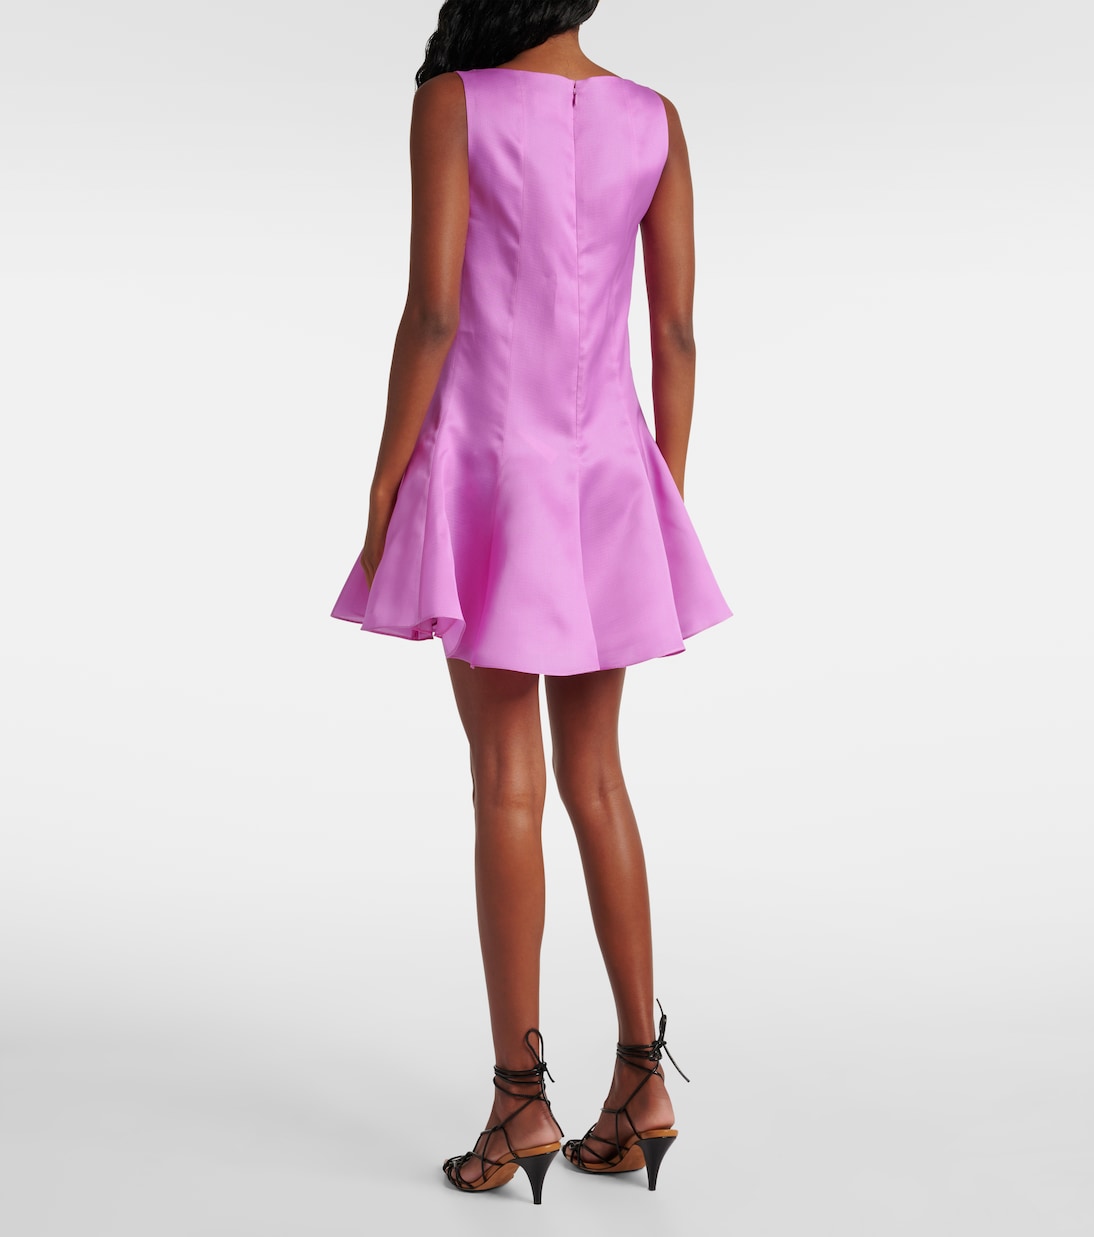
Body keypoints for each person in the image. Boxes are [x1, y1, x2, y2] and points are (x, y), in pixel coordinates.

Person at [330, 1, 733, 1204]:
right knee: (595, 779)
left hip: (488, 473)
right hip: (607, 474)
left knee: (505, 781)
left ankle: (520, 1099)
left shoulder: (452, 104)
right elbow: (675, 333)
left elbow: (434, 313)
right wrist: (659, 489)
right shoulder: (654, 118)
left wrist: (384, 478)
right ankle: (640, 1081)